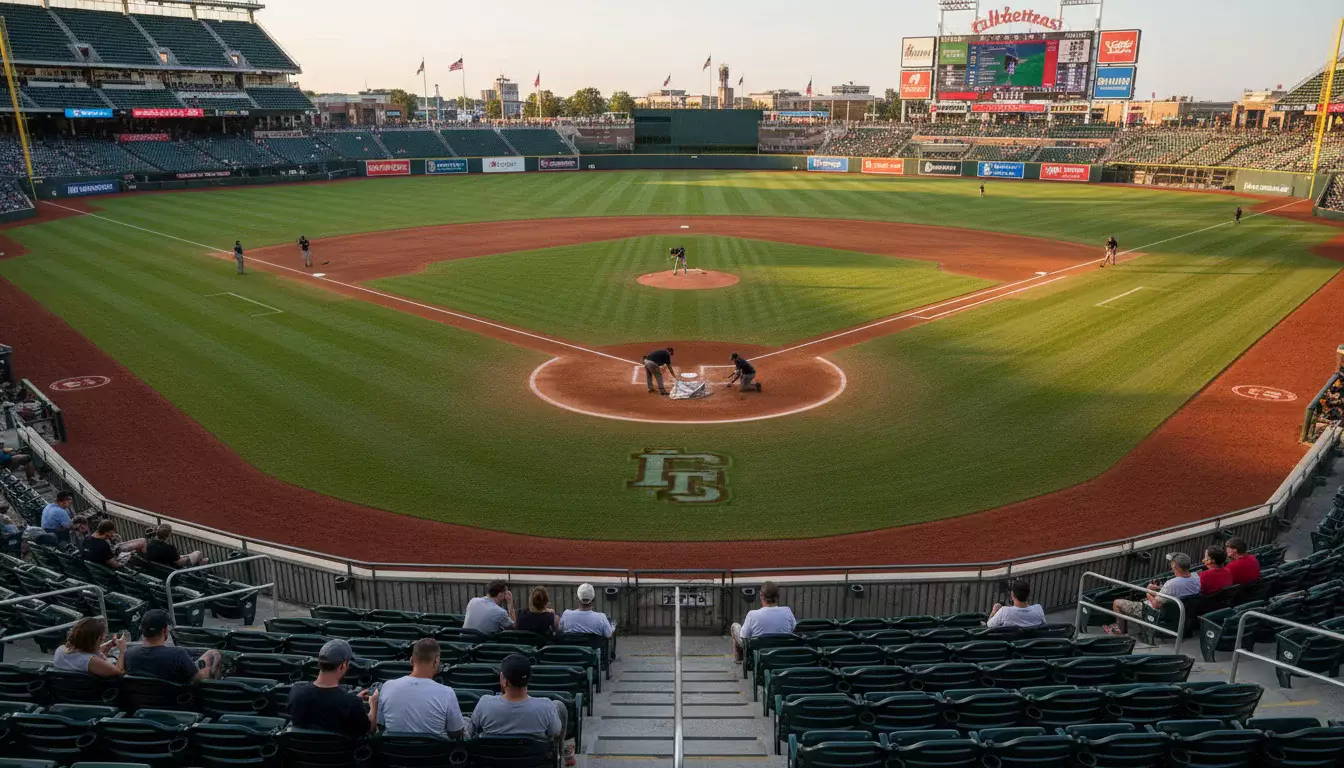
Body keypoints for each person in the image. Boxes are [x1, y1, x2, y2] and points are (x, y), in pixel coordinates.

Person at [469, 654, 567, 758]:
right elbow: (555, 732)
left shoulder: (485, 703)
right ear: (529, 678)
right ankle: (561, 756)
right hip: (534, 762)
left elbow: (471, 731)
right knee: (558, 705)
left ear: (503, 678)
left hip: (492, 762)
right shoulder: (546, 706)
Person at [369, 638, 464, 736]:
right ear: (436, 662)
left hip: (392, 746)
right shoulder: (447, 693)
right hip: (434, 747)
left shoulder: (387, 686)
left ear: (411, 660)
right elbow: (456, 732)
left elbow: (381, 724)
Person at [287, 639, 371, 739]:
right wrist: (373, 704)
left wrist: (354, 700)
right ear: (343, 665)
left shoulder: (296, 692)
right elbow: (368, 730)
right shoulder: (351, 703)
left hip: (301, 748)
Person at [1104, 552, 1201, 635]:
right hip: (1182, 612)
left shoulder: (1171, 584)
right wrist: (1159, 589)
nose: (1171, 564)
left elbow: (1156, 605)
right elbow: (1177, 591)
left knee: (1117, 603)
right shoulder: (1196, 577)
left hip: (1155, 612)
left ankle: (1120, 631)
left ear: (1175, 566)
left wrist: (1148, 592)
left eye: (1172, 563)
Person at [125, 609, 222, 683]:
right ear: (164, 630)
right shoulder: (177, 654)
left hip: (143, 701)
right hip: (175, 700)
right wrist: (208, 665)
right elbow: (198, 679)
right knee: (214, 655)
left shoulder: (129, 654)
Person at [730, 581, 795, 661]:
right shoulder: (787, 611)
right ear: (777, 596)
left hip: (760, 657)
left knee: (734, 626)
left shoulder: (752, 615)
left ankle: (738, 658)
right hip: (782, 654)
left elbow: (744, 637)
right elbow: (794, 630)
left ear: (761, 595)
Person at [53, 617, 126, 678]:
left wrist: (103, 649)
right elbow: (119, 672)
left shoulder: (60, 650)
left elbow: (81, 655)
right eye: (101, 638)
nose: (103, 639)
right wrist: (122, 651)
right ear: (94, 640)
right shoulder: (91, 661)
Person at [81, 519, 146, 569]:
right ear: (107, 532)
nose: (112, 534)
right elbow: (114, 565)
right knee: (134, 556)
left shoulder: (86, 539)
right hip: (108, 571)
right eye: (111, 532)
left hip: (96, 568)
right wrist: (126, 560)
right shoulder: (103, 545)